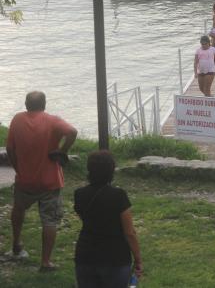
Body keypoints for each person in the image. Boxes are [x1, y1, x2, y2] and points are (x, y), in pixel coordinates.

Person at [5, 91, 77, 271]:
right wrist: (62, 151)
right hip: (50, 181)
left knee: (19, 209)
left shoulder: (17, 120)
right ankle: (45, 261)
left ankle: (16, 245)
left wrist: (17, 168)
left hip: (24, 180)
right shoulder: (52, 121)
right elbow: (72, 132)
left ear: (26, 104)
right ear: (44, 104)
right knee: (49, 220)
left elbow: (9, 148)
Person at [74, 151, 143, 287]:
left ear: (89, 170)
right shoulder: (118, 196)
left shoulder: (79, 194)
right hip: (115, 257)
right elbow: (129, 233)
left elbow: (85, 219)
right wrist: (138, 259)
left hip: (85, 254)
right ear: (111, 171)